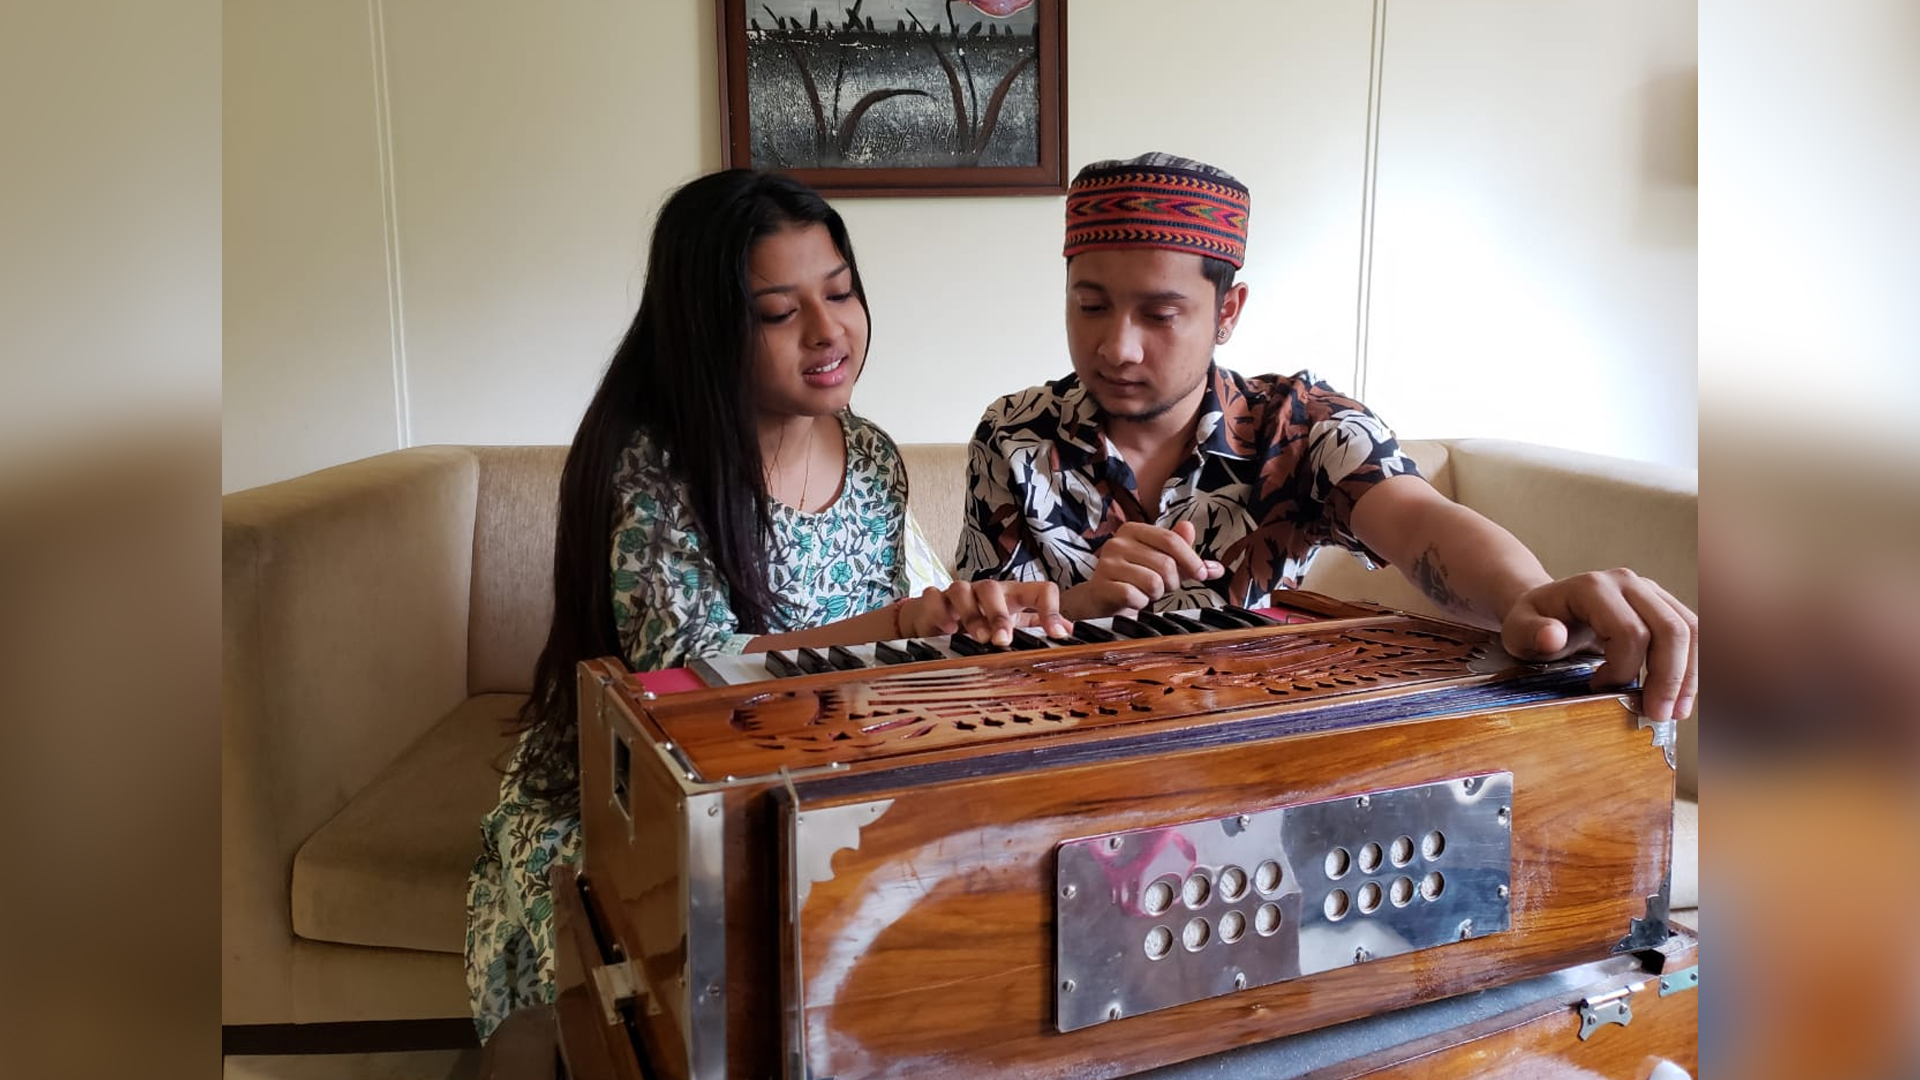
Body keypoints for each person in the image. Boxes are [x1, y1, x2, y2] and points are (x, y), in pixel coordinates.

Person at [465, 169, 1067, 1040]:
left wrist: (965, 624)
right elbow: (689, 679)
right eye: (778, 313)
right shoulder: (652, 467)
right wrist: (902, 622)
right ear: (707, 329)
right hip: (644, 791)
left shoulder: (870, 457)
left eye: (841, 292)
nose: (829, 333)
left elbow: (884, 673)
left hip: (812, 772)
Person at [956, 151, 1698, 725]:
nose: (1117, 347)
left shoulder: (1301, 427)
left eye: (1159, 314)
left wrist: (1529, 596)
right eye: (1090, 306)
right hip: (1059, 753)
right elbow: (974, 648)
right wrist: (1081, 603)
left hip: (1266, 758)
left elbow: (1417, 521)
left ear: (1227, 312)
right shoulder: (1014, 435)